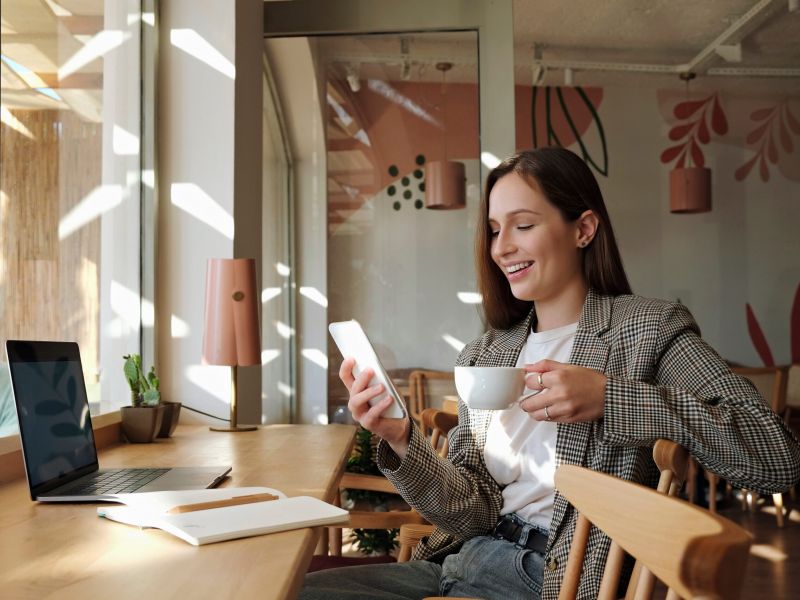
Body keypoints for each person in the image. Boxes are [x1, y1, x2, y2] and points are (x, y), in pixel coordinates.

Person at [301, 147, 800, 600]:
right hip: (459, 563)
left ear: (583, 229)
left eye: (522, 225)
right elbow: (469, 512)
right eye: (495, 230)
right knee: (288, 590)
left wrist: (611, 399)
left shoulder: (645, 330)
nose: (501, 248)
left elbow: (777, 457)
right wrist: (403, 438)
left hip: (552, 580)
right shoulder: (487, 352)